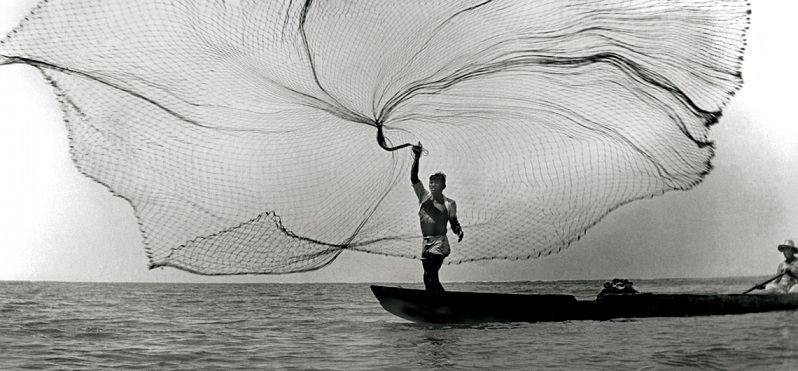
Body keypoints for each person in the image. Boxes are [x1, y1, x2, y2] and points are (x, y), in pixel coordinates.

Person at [411, 143, 463, 293]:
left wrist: (458, 230)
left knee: (431, 274)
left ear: (443, 186)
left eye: (437, 183)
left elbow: (453, 221)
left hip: (439, 242)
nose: (433, 185)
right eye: (431, 182)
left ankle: (441, 301)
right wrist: (416, 157)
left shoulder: (449, 203)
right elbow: (413, 178)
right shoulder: (423, 197)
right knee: (427, 277)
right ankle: (434, 302)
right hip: (426, 241)